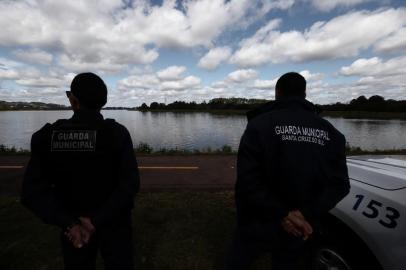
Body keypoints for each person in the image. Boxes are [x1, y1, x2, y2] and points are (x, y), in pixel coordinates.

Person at [226, 72, 350, 270]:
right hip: (300, 223)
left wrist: (283, 214)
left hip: (258, 220)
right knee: (287, 263)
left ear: (277, 92)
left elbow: (248, 181)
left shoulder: (259, 125)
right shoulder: (333, 133)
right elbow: (340, 185)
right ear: (305, 93)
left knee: (239, 259)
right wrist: (302, 215)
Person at [21, 72, 140, 270]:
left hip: (72, 226)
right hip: (115, 223)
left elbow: (32, 192)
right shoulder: (117, 133)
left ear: (74, 101)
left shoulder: (48, 137)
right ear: (103, 102)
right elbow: (130, 184)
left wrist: (70, 223)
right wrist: (95, 220)